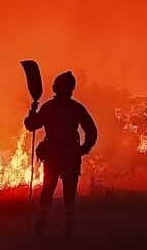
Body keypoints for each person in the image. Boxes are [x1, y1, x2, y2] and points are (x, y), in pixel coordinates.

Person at [24, 71, 97, 238]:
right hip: (68, 156)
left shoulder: (50, 107)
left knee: (47, 191)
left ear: (57, 87)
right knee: (67, 195)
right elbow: (91, 132)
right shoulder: (76, 108)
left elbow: (32, 125)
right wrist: (82, 149)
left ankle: (40, 226)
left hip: (55, 156)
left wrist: (32, 111)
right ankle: (66, 227)